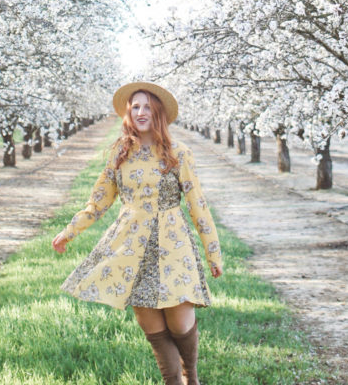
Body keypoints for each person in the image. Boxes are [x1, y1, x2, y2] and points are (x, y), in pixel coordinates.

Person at [52, 81, 223, 385]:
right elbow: (99, 200)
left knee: (180, 324)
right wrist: (70, 231)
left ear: (157, 111)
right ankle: (174, 381)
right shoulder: (120, 152)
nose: (141, 112)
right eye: (135, 107)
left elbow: (198, 205)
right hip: (131, 247)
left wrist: (213, 252)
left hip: (173, 245)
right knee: (154, 330)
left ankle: (190, 376)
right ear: (128, 113)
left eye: (147, 106)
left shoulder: (178, 153)